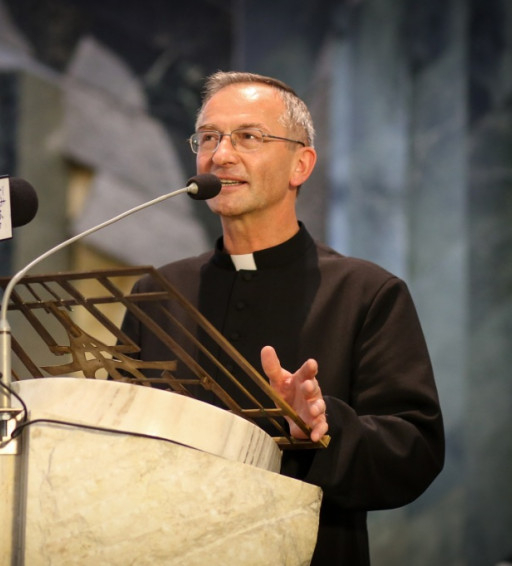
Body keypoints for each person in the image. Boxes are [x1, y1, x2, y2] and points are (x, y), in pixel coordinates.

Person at [120, 71, 445, 565]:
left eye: (248, 137)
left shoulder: (367, 293)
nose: (220, 155)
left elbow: (415, 451)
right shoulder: (158, 294)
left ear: (301, 164)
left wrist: (321, 426)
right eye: (208, 138)